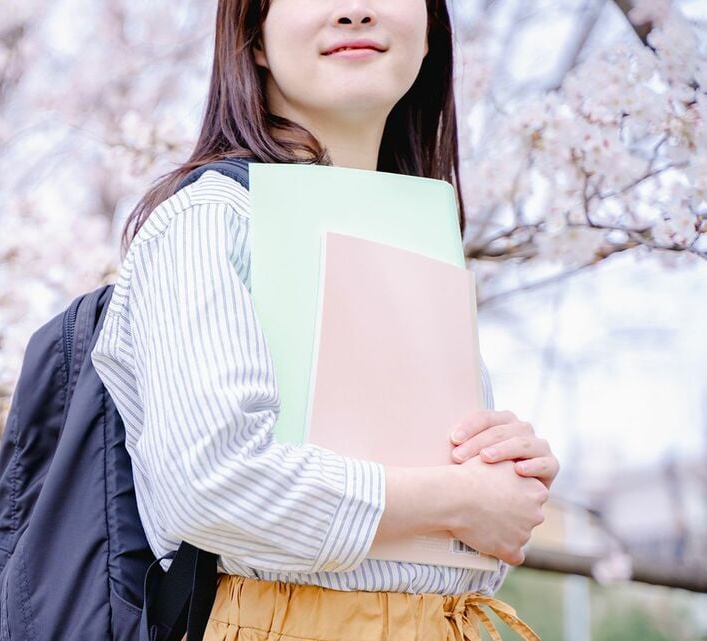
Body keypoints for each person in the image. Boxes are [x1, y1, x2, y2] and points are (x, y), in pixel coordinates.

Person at [89, 0, 561, 639]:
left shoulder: (421, 232)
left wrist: (502, 476)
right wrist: (460, 500)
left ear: (429, 33)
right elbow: (211, 483)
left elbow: (443, 547)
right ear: (253, 37)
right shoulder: (211, 220)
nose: (356, 11)